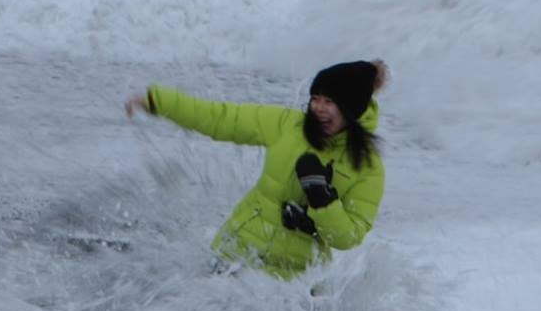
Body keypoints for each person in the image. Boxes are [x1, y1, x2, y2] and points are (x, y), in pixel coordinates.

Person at [124, 61, 388, 279]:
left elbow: (348, 237)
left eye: (329, 101)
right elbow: (221, 118)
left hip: (289, 288)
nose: (318, 108)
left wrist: (322, 199)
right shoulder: (288, 125)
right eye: (315, 98)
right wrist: (159, 101)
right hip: (232, 256)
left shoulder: (367, 167)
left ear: (351, 108)